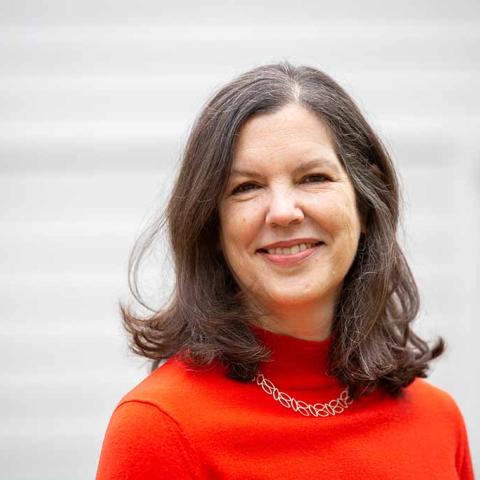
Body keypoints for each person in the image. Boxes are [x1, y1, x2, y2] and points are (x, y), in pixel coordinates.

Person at [96, 63, 474, 479]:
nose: (282, 212)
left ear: (366, 203)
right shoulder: (160, 428)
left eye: (313, 177)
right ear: (213, 226)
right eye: (246, 187)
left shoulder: (438, 420)